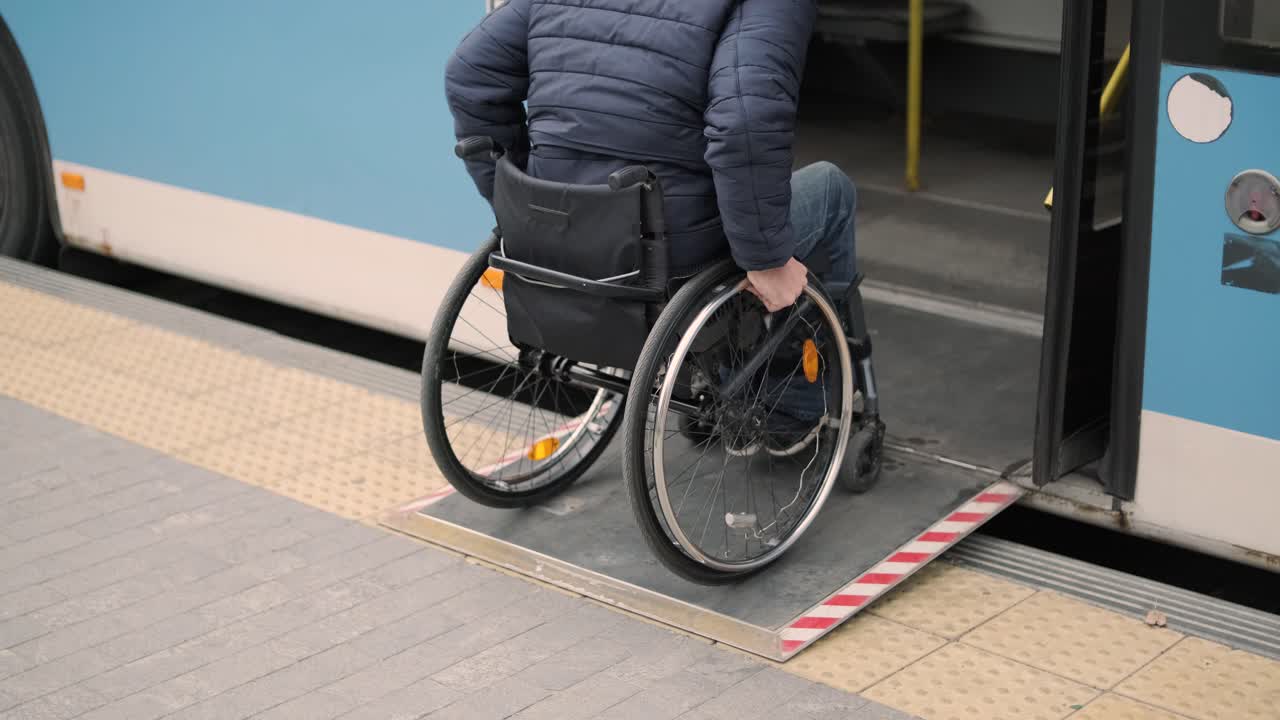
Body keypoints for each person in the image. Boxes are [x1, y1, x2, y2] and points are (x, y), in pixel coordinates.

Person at [444, 0, 857, 456]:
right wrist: (767, 260)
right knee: (831, 191)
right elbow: (743, 124)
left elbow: (470, 73)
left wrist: (522, 203)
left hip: (558, 237)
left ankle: (722, 365)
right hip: (670, 259)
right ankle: (794, 404)